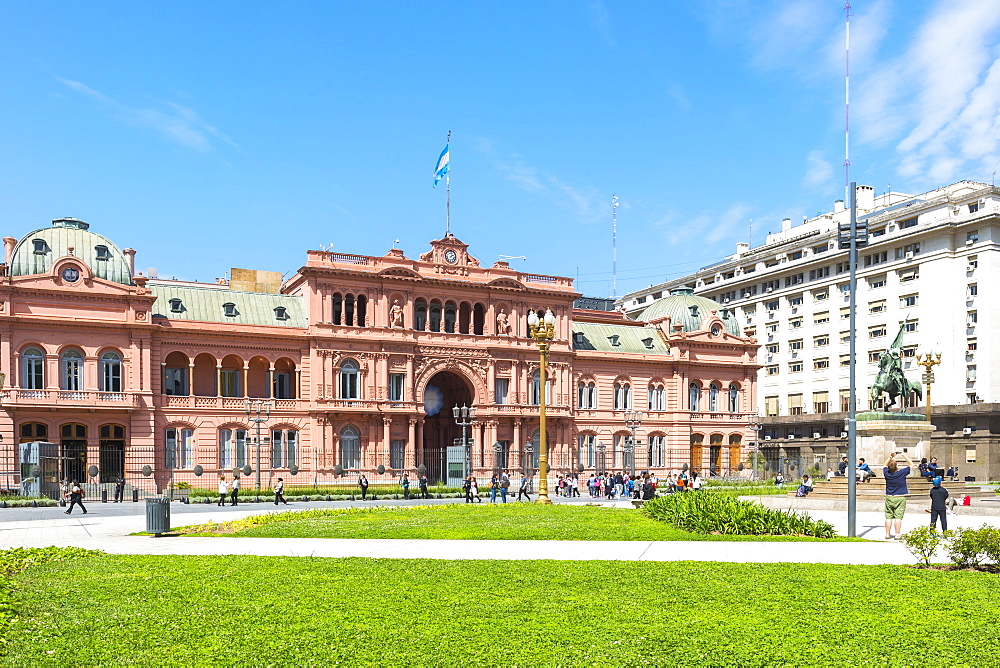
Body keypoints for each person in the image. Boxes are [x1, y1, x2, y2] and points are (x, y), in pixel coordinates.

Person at [883, 451, 914, 540]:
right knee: (898, 517)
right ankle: (897, 534)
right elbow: (911, 465)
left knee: (888, 517)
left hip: (889, 496)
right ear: (896, 466)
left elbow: (884, 465)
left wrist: (891, 457)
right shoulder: (901, 473)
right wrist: (904, 455)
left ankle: (887, 534)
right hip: (900, 497)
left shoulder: (887, 473)